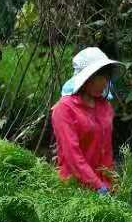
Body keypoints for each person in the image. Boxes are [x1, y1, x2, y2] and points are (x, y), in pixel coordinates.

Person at [52, 46, 121, 193]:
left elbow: (107, 151)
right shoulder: (65, 109)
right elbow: (73, 156)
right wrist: (97, 185)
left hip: (105, 187)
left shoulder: (105, 107)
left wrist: (112, 183)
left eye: (107, 76)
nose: (106, 82)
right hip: (75, 190)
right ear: (88, 78)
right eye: (102, 77)